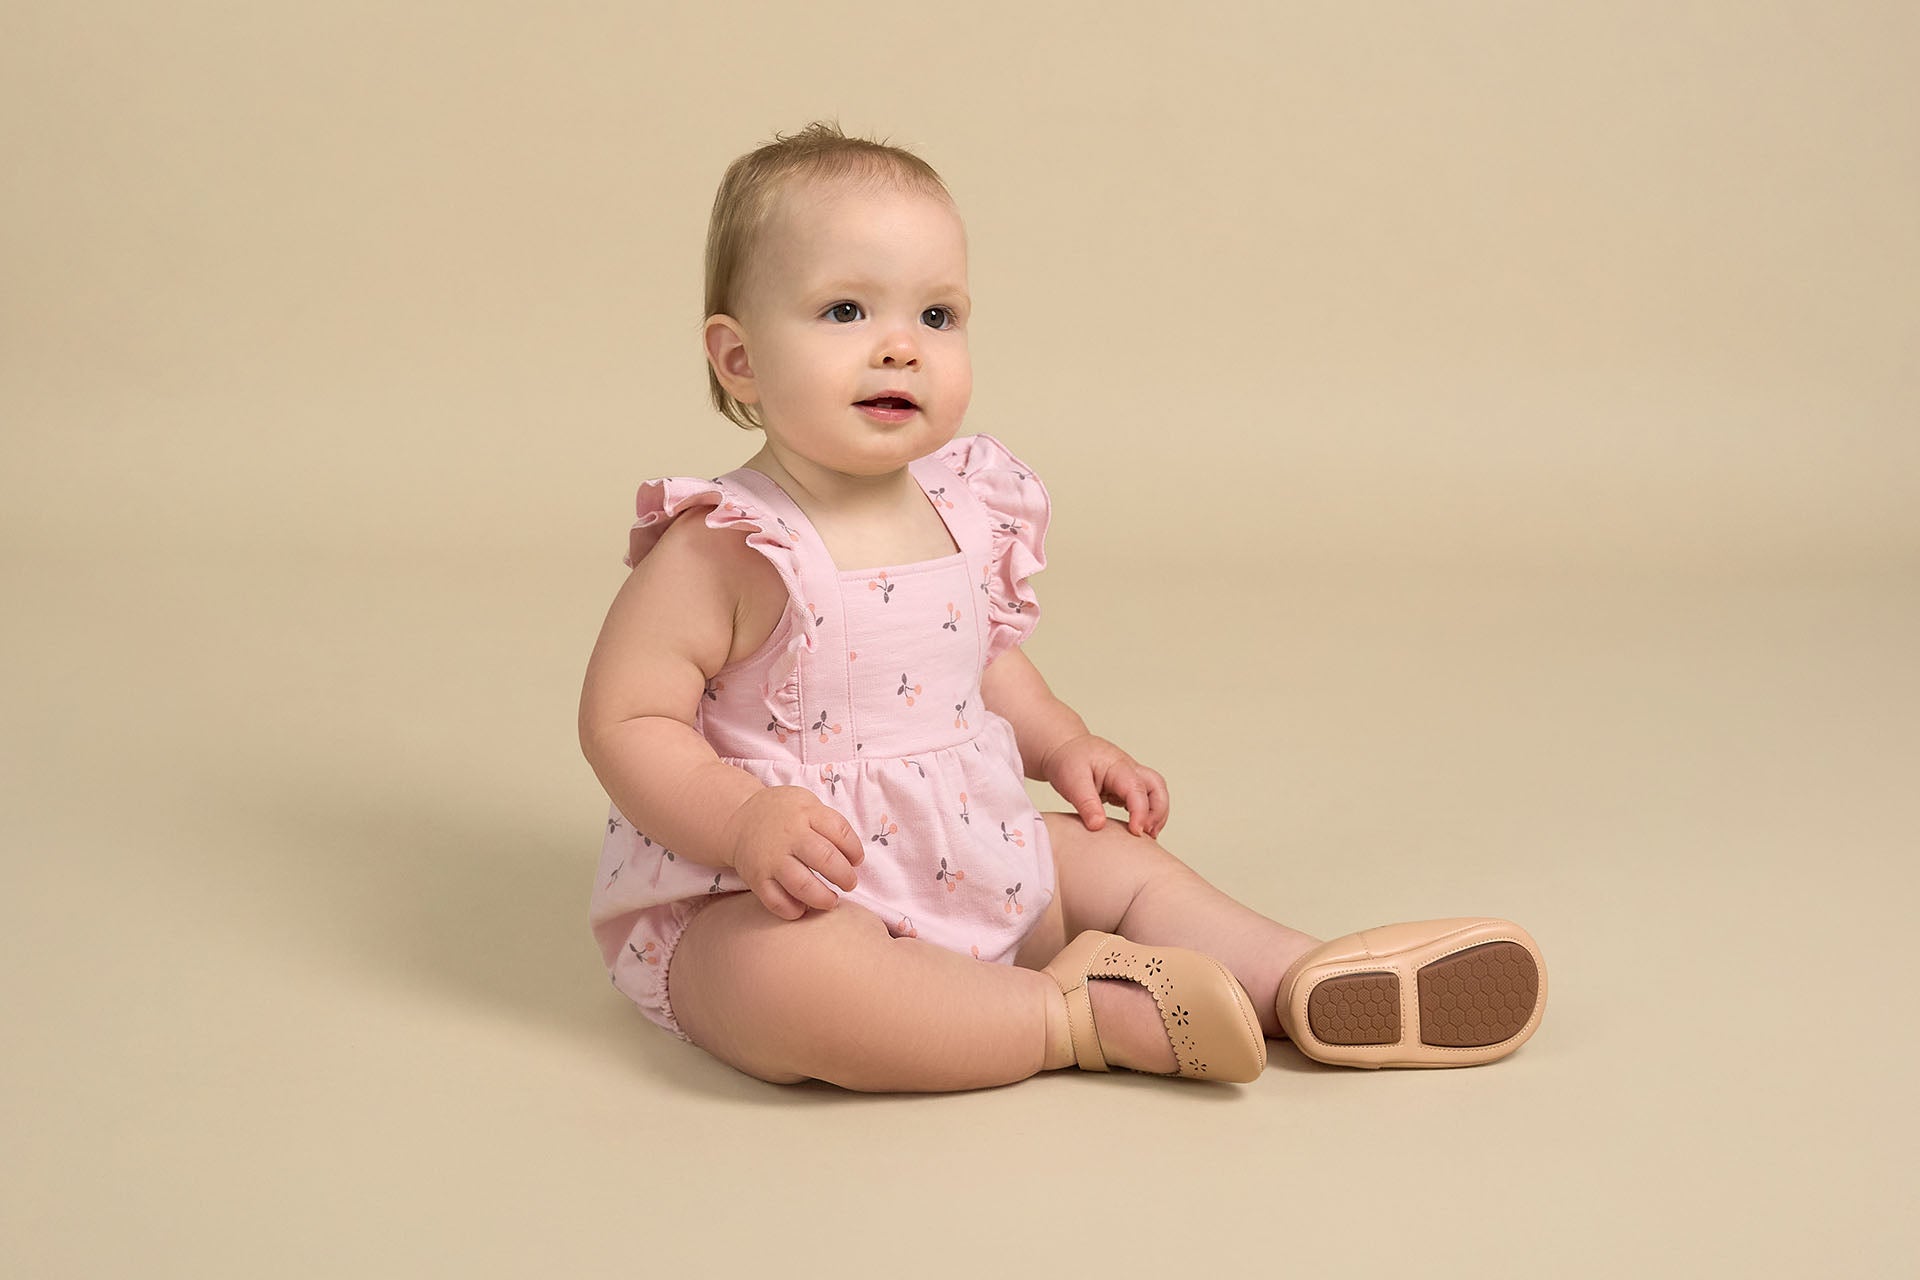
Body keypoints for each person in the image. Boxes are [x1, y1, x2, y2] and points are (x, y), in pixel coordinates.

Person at [578, 120, 1548, 1092]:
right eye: (844, 309)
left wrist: (1064, 744)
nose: (899, 350)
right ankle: (1071, 1017)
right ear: (737, 359)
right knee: (780, 980)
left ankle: (1299, 977)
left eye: (938, 316)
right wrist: (743, 821)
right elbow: (626, 717)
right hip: (779, 889)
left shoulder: (960, 505)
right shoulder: (730, 543)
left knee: (1114, 862)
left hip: (968, 853)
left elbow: (983, 660)